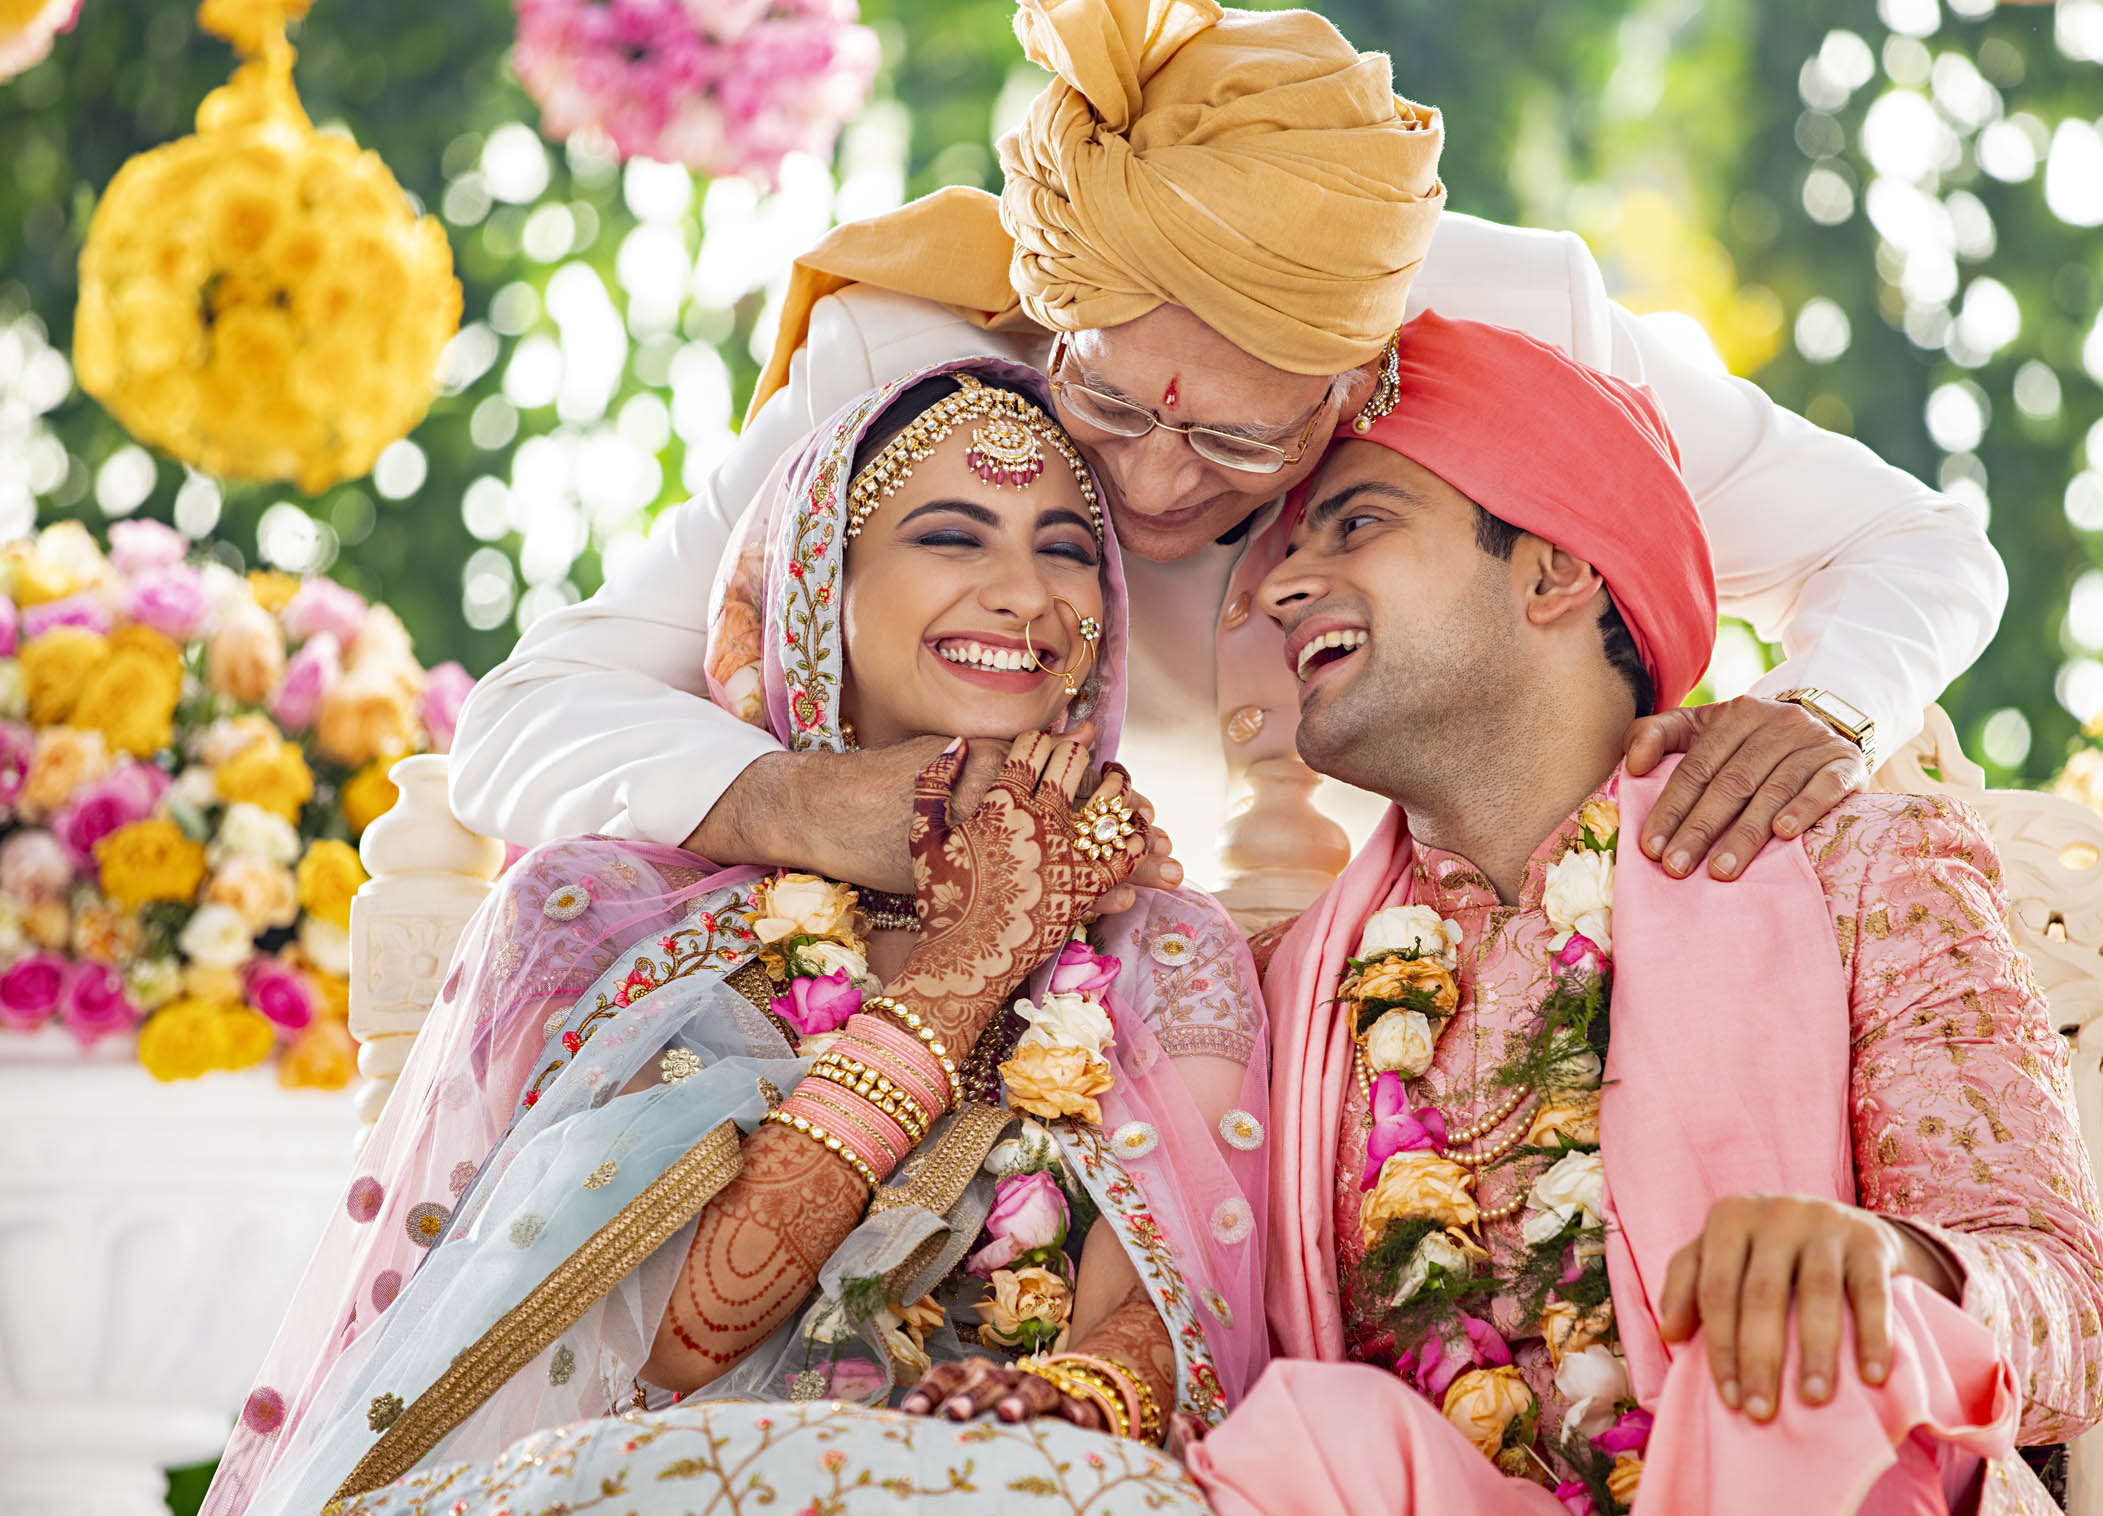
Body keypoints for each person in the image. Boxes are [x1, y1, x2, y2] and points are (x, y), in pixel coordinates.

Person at [448, 0, 2006, 921]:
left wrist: (1822, 710)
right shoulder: (907, 363)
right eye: (1109, 406)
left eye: (1242, 438)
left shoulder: (1521, 330)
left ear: (1365, 380)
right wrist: (799, 804)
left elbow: (1916, 544)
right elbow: (529, 716)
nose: (1152, 485)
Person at [169, 362, 1274, 1516]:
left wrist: (1055, 1406)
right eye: (952, 535)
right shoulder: (622, 918)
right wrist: (978, 959)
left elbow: (1162, 1320)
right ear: (816, 587)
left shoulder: (1161, 944)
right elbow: (681, 1340)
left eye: (1066, 551)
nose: (1026, 592)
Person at [1184, 314, 2103, 1516]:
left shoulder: (1855, 868)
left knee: (1791, 1344)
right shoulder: (1281, 995)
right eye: (1291, 549)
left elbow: (2068, 1315)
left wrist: (1893, 1267)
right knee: (1315, 1436)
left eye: (1356, 524)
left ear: (1556, 569)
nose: (1286, 586)